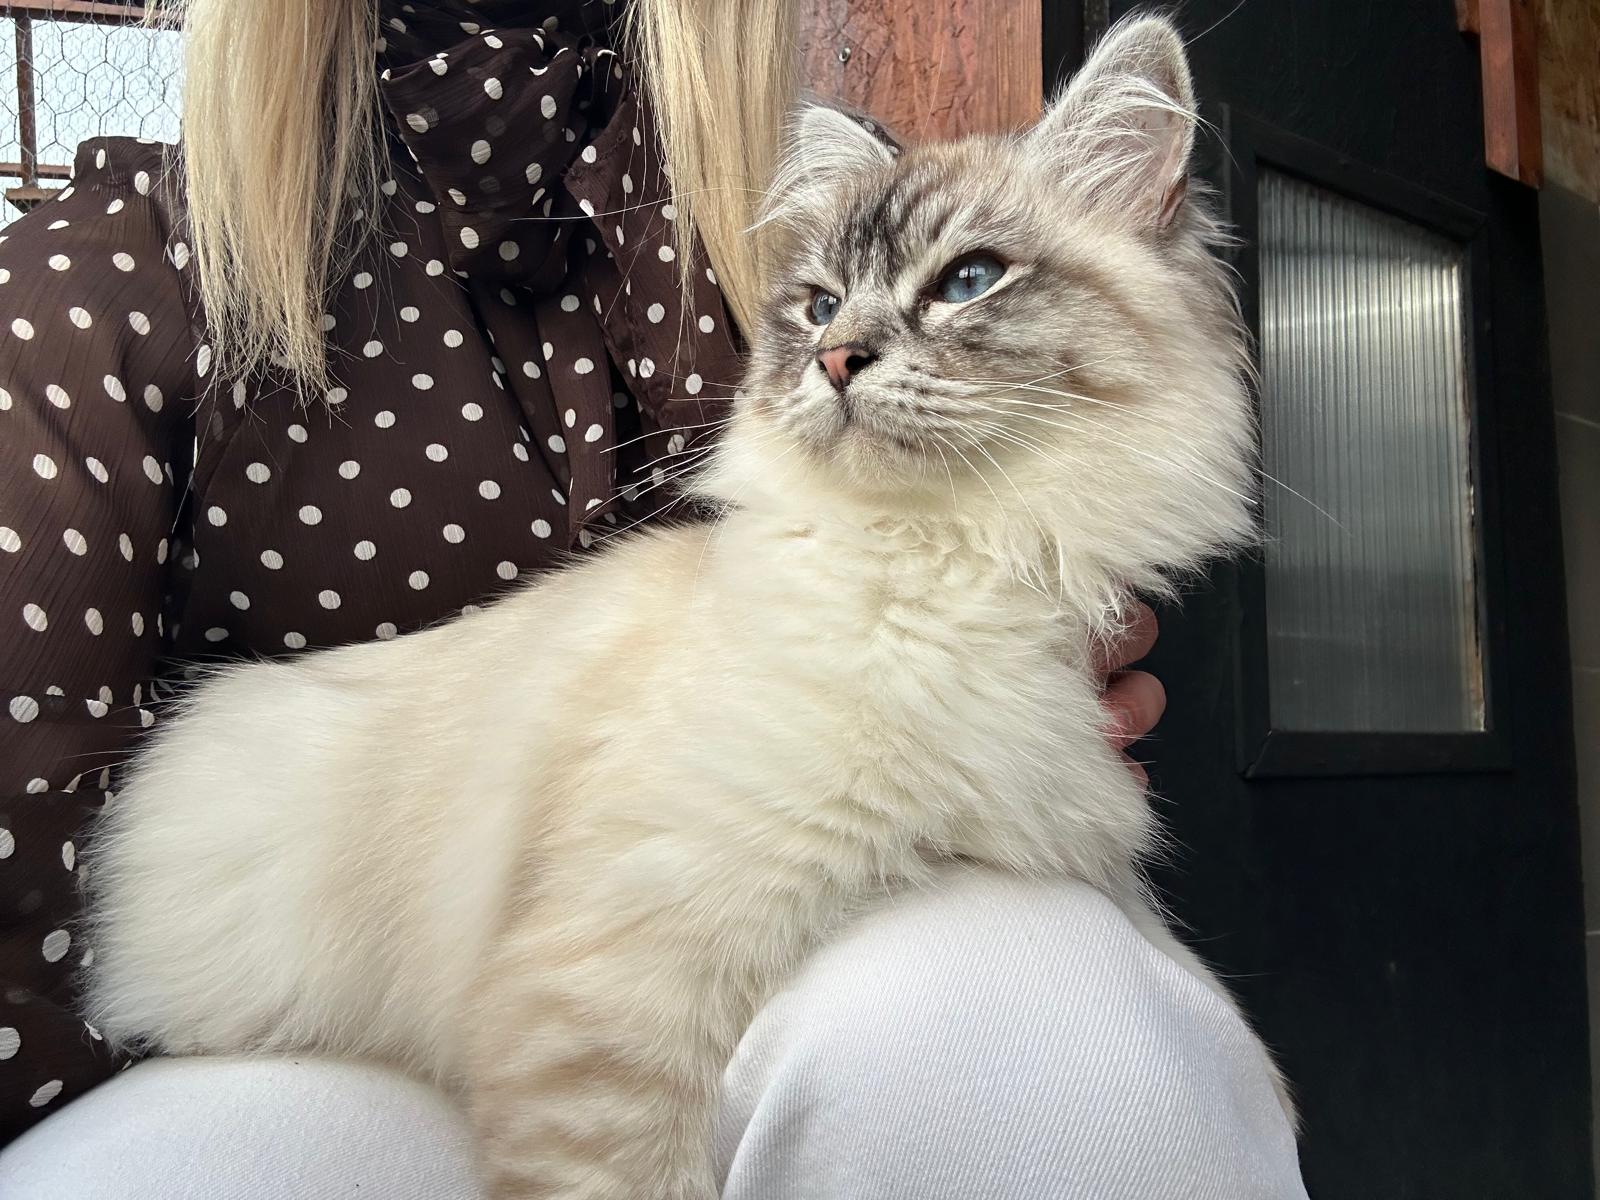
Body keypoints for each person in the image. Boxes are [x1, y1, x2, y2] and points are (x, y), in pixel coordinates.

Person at [0, 1, 1305, 1195]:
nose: (845, 350)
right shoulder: (122, 265)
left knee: (1061, 1028)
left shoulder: (703, 215)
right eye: (820, 311)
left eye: (966, 279)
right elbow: (601, 1034)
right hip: (270, 990)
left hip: (740, 981)